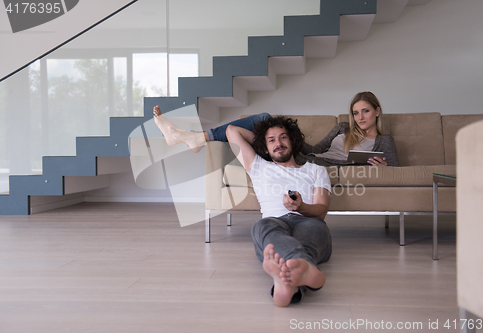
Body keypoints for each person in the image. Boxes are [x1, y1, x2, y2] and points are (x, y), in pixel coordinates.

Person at [225, 115, 332, 306]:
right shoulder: (257, 165)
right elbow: (232, 131)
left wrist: (302, 207)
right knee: (262, 226)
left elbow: (321, 211)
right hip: (274, 221)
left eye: (283, 137)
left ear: (292, 140)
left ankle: (285, 282)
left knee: (316, 228)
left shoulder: (316, 170)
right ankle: (301, 272)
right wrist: (261, 142)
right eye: (272, 140)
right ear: (264, 147)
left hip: (308, 221)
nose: (279, 143)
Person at [153, 91, 398, 166]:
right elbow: (318, 149)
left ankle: (194, 138)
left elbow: (397, 170)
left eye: (365, 111)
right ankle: (196, 138)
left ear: (377, 111)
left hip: (314, 166)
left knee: (260, 123)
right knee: (264, 118)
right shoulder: (342, 128)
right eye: (356, 112)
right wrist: (293, 142)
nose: (360, 117)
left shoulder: (384, 141)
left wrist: (385, 168)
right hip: (305, 156)